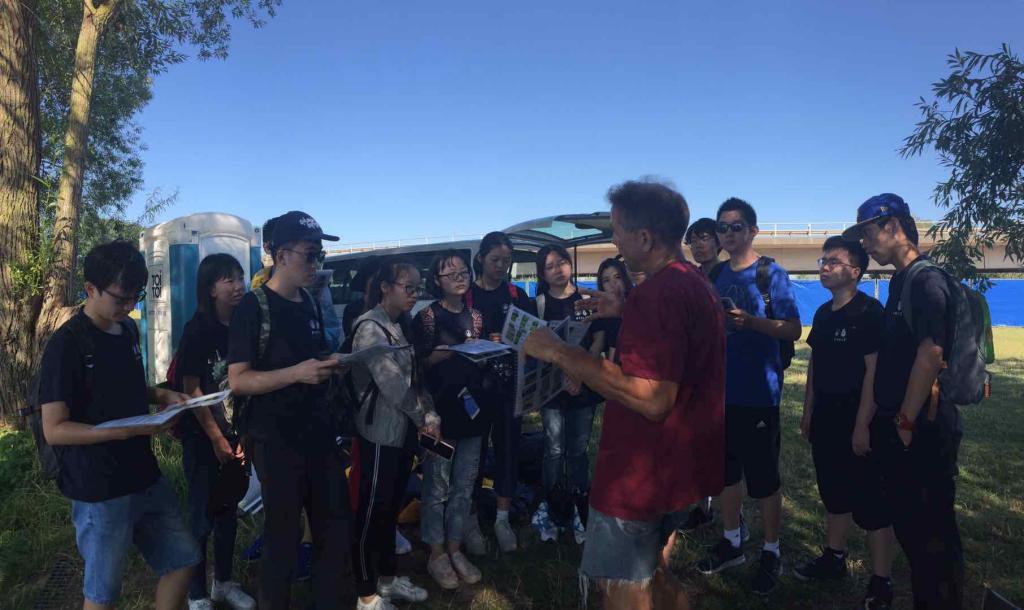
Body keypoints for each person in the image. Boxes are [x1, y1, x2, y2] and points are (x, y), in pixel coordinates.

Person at [523, 179, 725, 610]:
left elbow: (653, 399)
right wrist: (624, 309)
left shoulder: (657, 294)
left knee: (622, 587)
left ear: (645, 238)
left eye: (617, 231)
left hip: (640, 477)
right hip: (680, 467)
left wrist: (558, 351)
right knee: (655, 571)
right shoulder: (691, 282)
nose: (614, 241)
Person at [39, 240, 200, 610]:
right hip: (98, 487)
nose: (129, 307)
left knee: (183, 560)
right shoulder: (67, 345)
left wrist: (160, 395)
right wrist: (130, 430)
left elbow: (120, 389)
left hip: (144, 475)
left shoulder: (126, 330)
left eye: (135, 297)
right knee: (103, 593)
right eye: (121, 298)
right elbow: (55, 429)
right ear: (90, 289)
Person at [843, 193, 964, 609]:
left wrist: (906, 423)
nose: (864, 244)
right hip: (906, 427)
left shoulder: (926, 280)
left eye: (867, 233)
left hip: (923, 428)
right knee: (914, 533)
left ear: (893, 226)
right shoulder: (900, 280)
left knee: (933, 537)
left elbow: (931, 354)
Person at [227, 211, 351, 610]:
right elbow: (238, 380)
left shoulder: (310, 302)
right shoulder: (253, 307)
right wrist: (296, 373)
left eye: (320, 256)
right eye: (310, 255)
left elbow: (313, 358)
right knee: (282, 537)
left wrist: (334, 363)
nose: (316, 264)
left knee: (333, 528)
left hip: (319, 434)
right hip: (275, 439)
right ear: (281, 256)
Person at [698, 197, 801, 596]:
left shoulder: (769, 273)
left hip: (759, 392)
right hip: (720, 393)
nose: (728, 233)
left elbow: (792, 329)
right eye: (722, 227)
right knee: (726, 474)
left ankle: (772, 551)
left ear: (753, 230)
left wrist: (751, 322)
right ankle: (732, 542)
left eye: (736, 226)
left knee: (763, 479)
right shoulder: (716, 273)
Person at [795, 236, 895, 609]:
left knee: (871, 505)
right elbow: (815, 366)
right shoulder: (823, 314)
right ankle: (834, 558)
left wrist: (862, 424)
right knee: (834, 494)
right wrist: (808, 411)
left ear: (854, 271)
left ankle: (881, 580)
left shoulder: (870, 312)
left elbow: (874, 372)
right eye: (823, 261)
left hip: (860, 422)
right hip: (826, 420)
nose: (824, 267)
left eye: (833, 262)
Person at [350, 257, 437, 610]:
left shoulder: (402, 324)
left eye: (418, 288)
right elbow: (394, 387)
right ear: (386, 288)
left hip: (402, 434)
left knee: (390, 510)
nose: (414, 295)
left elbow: (416, 379)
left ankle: (387, 579)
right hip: (379, 434)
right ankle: (365, 594)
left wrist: (429, 414)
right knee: (371, 512)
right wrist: (423, 417)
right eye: (408, 287)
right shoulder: (370, 328)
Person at [173, 254, 255, 610]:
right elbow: (190, 389)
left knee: (228, 511)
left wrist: (243, 436)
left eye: (239, 277)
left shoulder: (243, 325)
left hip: (237, 436)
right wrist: (216, 438)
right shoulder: (197, 330)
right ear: (210, 289)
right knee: (200, 517)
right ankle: (196, 594)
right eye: (228, 279)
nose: (238, 286)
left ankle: (223, 582)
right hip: (203, 437)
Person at [413, 251, 489, 589]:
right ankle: (436, 552)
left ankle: (456, 548)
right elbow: (415, 368)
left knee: (464, 486)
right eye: (451, 273)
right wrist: (435, 358)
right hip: (438, 419)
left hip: (473, 414)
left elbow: (480, 363)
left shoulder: (476, 317)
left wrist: (486, 354)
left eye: (463, 272)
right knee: (436, 487)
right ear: (436, 280)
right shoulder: (427, 318)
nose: (459, 278)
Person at [466, 231, 536, 554]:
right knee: (474, 455)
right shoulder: (466, 295)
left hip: (510, 388)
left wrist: (514, 343)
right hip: (475, 390)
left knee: (508, 451)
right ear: (481, 258)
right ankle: (470, 519)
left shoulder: (517, 295)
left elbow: (535, 337)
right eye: (495, 259)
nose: (501, 266)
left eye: (507, 260)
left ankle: (503, 519)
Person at [531, 244, 594, 545]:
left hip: (582, 387)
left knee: (578, 451)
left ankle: (581, 513)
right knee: (553, 450)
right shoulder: (538, 305)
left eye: (562, 262)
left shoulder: (586, 300)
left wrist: (579, 375)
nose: (558, 269)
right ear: (542, 274)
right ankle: (553, 511)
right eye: (550, 266)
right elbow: (533, 346)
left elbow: (597, 340)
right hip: (551, 391)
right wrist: (560, 374)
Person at [588, 258, 632, 361]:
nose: (613, 284)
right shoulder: (600, 309)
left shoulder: (638, 302)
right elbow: (598, 344)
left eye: (617, 277)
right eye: (606, 280)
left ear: (625, 278)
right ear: (602, 286)